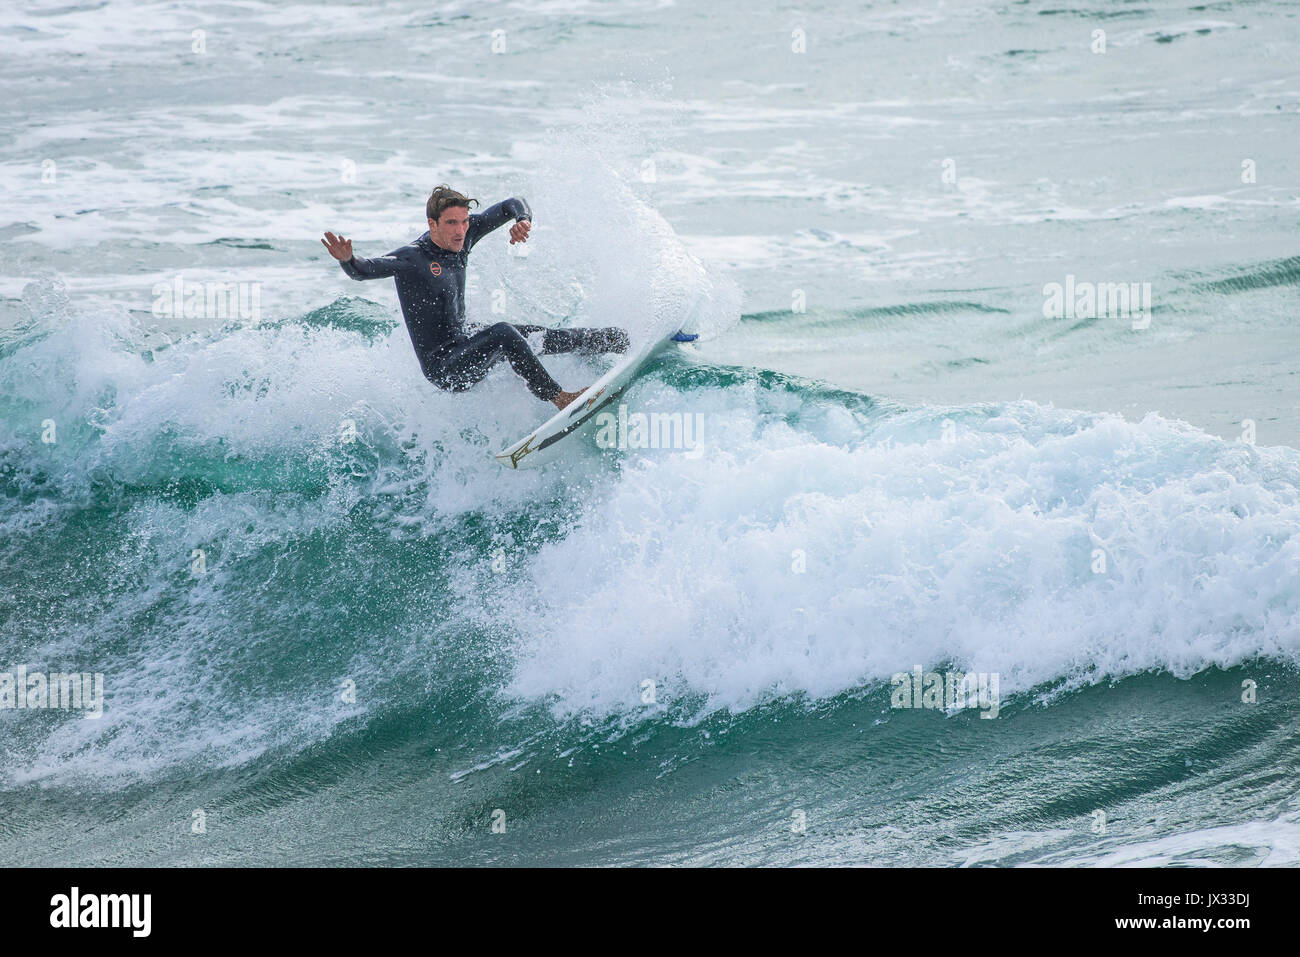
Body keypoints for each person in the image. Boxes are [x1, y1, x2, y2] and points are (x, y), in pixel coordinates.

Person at [322, 185, 629, 409]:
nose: (461, 231)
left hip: (466, 340)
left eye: (465, 221)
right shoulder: (412, 259)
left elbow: (513, 203)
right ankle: (560, 398)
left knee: (533, 336)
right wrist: (347, 260)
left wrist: (522, 219)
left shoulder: (464, 236)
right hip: (445, 368)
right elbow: (364, 270)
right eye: (452, 223)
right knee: (504, 333)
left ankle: (611, 340)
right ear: (433, 224)